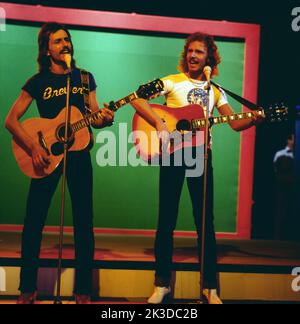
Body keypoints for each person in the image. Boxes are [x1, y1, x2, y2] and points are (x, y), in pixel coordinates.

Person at [130, 32, 264, 304]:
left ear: (209, 58)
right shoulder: (172, 81)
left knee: (205, 222)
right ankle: (161, 284)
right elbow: (136, 98)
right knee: (166, 220)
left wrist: (255, 118)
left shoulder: (215, 91)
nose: (192, 55)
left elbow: (235, 122)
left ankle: (210, 286)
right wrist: (158, 122)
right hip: (172, 155)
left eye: (199, 52)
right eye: (190, 50)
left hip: (201, 156)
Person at [5, 22, 114, 304]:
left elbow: (93, 115)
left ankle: (82, 291)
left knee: (83, 223)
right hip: (45, 155)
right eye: (58, 41)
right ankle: (27, 289)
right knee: (34, 222)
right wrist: (33, 147)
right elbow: (11, 121)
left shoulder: (85, 78)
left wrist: (103, 119)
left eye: (67, 39)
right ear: (47, 48)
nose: (65, 44)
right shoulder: (37, 81)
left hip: (78, 155)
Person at [273, 134, 295, 240]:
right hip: (283, 185)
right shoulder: (280, 154)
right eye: (292, 139)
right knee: (281, 209)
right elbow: (275, 169)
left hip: (294, 186)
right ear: (288, 140)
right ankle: (279, 236)